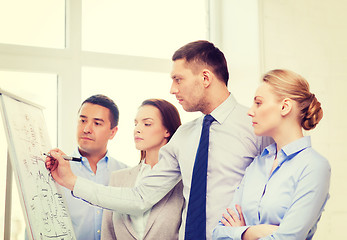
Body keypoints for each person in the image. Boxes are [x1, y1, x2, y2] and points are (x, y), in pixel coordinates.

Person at [45, 40, 272, 240]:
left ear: (205, 78)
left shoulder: (256, 127)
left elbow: (280, 195)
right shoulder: (183, 137)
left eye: (178, 79)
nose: (172, 89)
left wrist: (252, 231)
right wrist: (72, 181)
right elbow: (140, 196)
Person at [212, 69, 331, 240]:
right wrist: (256, 231)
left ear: (284, 107)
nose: (250, 111)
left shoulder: (314, 167)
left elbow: (288, 238)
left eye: (258, 103)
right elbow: (218, 233)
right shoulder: (257, 164)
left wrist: (241, 232)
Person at [101, 99, 184, 240]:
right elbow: (108, 233)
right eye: (136, 123)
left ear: (167, 130)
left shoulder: (183, 181)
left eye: (147, 124)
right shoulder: (118, 178)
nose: (137, 129)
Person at [57, 94, 128, 240]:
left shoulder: (126, 175)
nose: (86, 129)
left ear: (112, 132)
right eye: (82, 121)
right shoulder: (57, 171)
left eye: (97, 123)